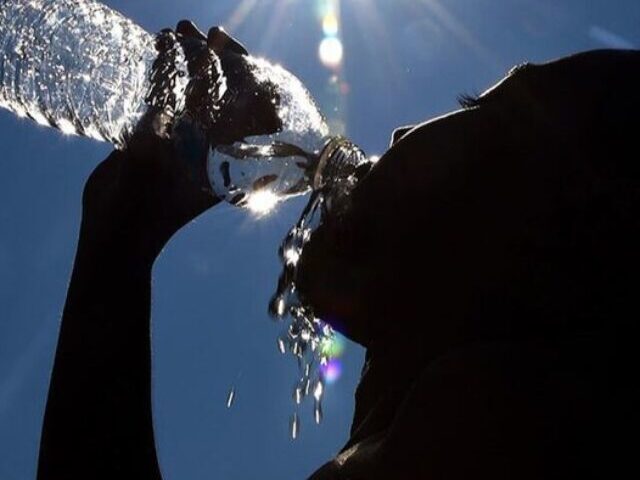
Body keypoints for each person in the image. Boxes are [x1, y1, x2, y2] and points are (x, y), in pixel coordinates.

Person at [35, 16, 640, 479]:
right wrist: (120, 231)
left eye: (481, 111)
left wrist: (119, 238)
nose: (400, 132)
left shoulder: (497, 422)